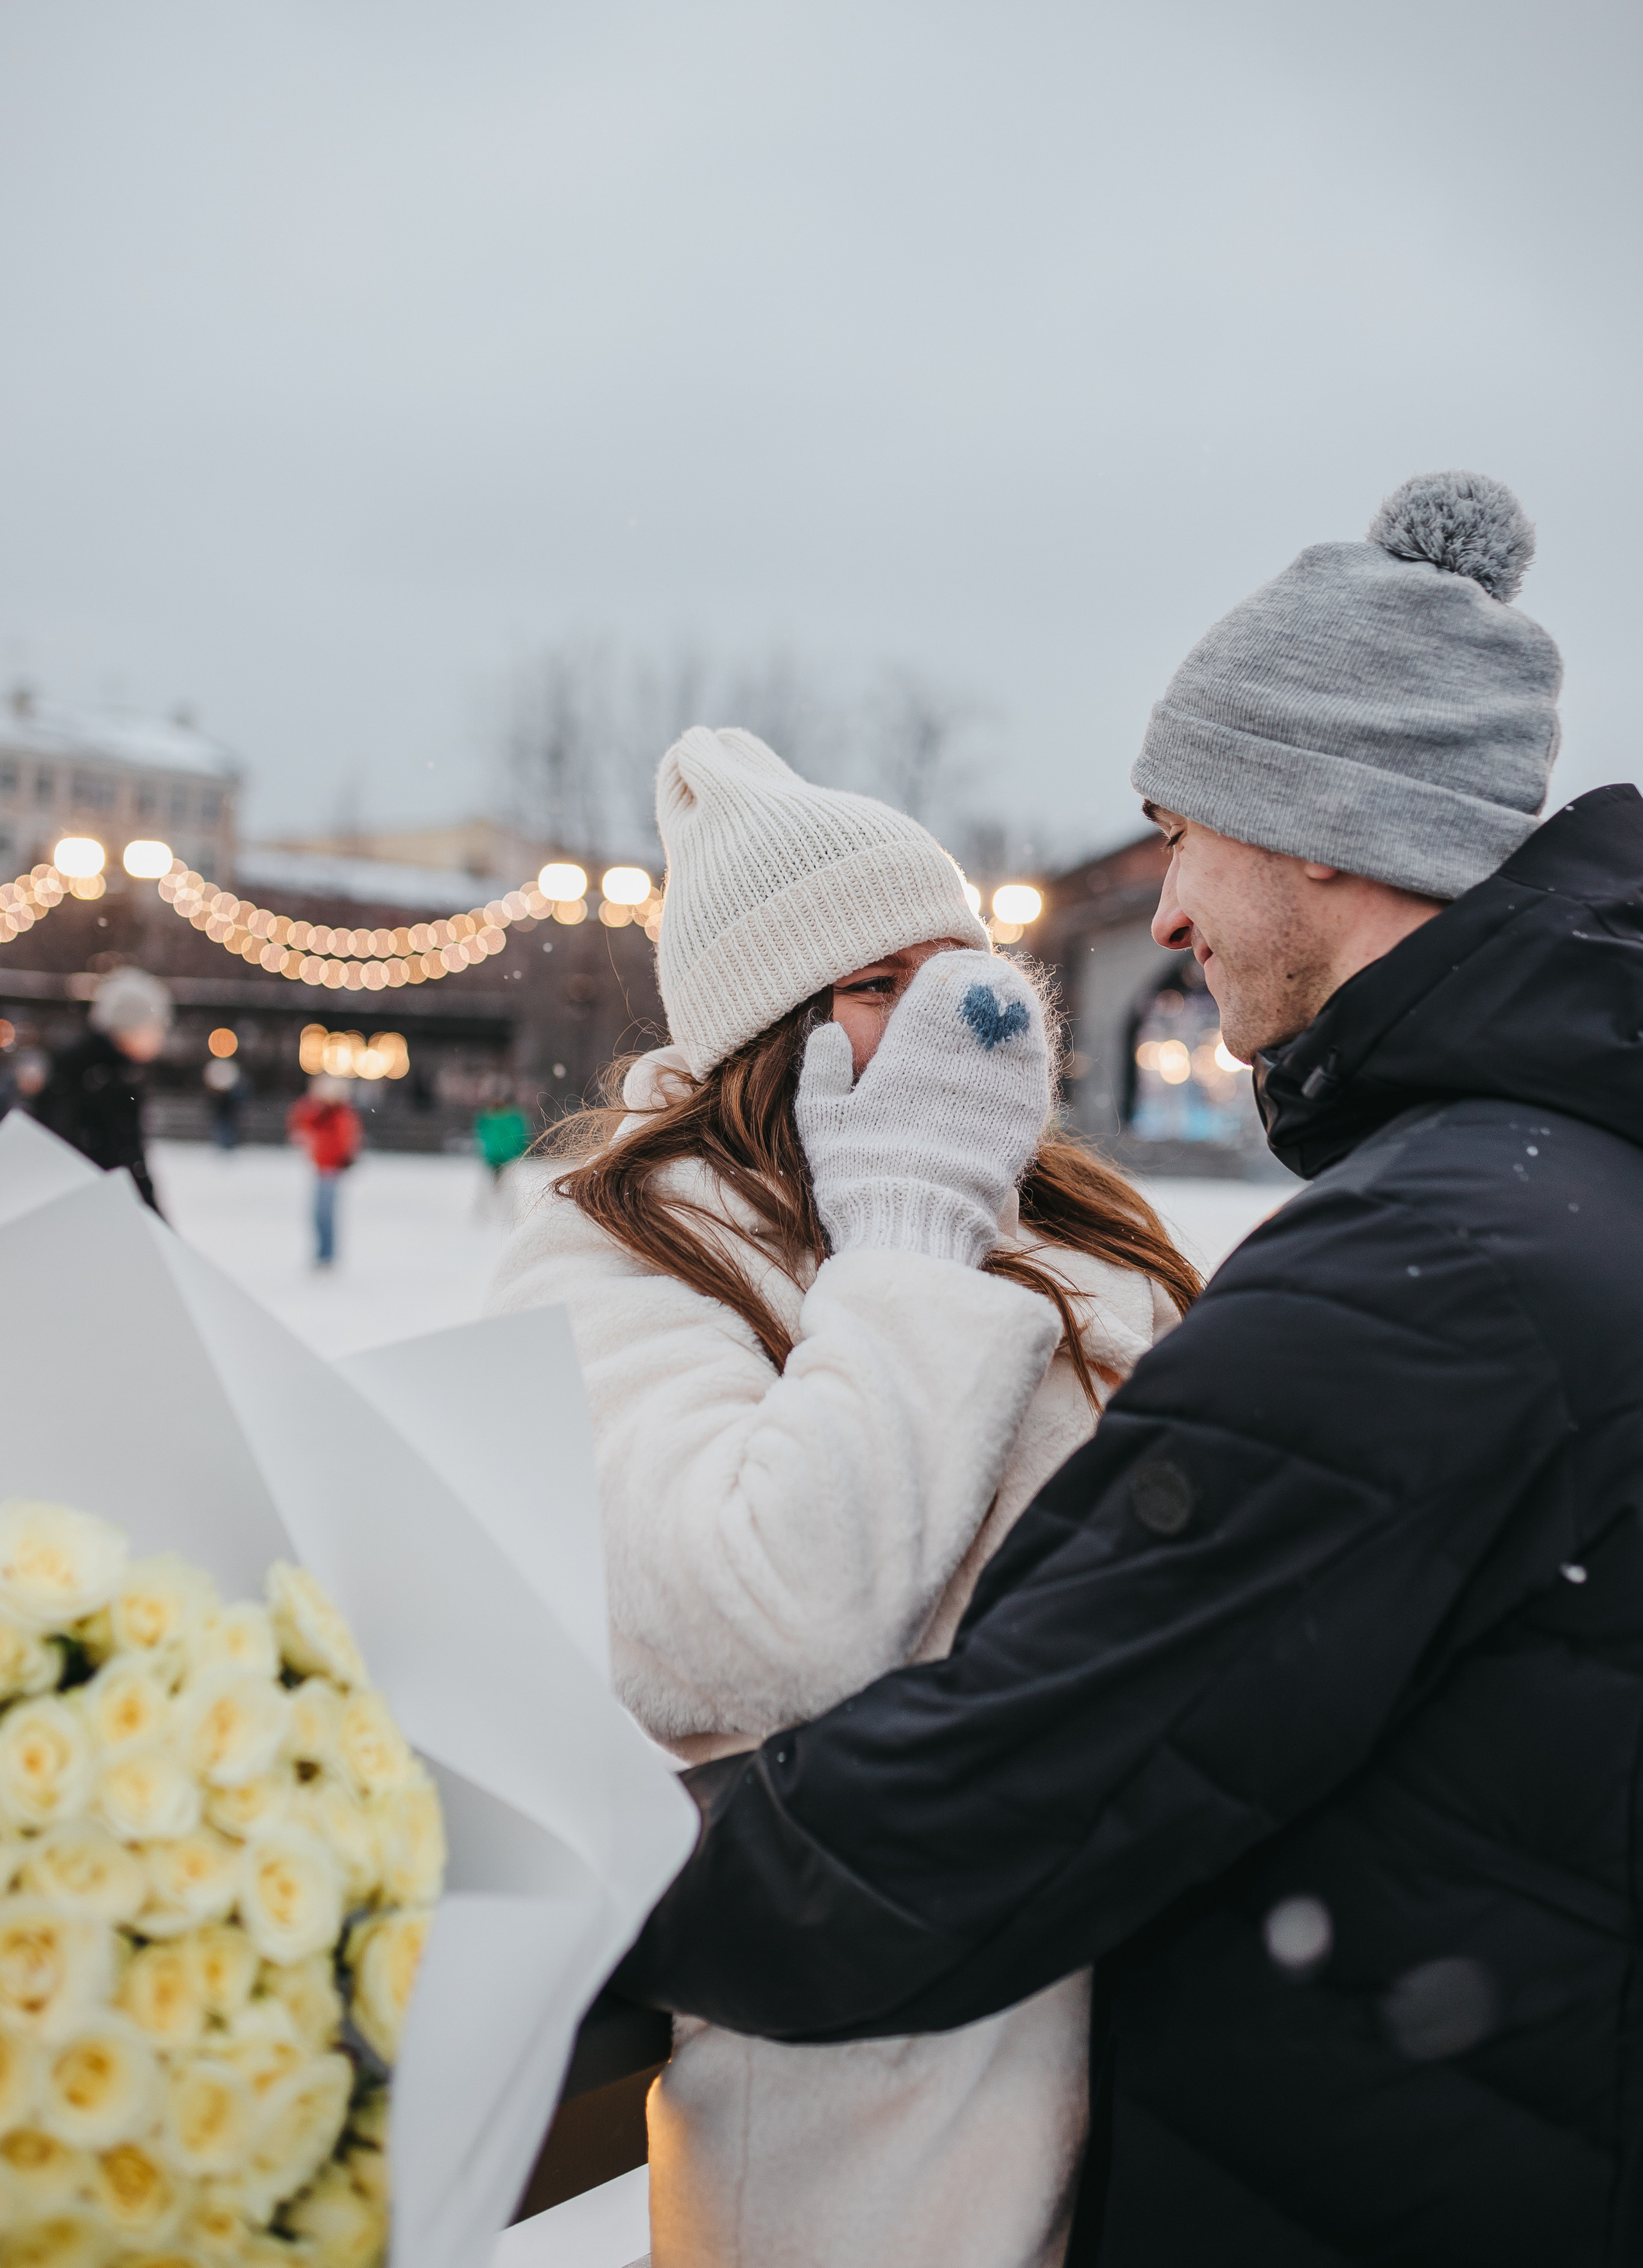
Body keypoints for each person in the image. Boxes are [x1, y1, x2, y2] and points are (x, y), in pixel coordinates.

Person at [612, 475, 1643, 2267]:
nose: (1159, 913)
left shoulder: (1432, 1266)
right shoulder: (1552, 1183)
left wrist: (566, 1911)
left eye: (1180, 832)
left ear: (1316, 826)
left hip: (1391, 2170)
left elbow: (1032, 1772)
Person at [492, 726, 1199, 2268]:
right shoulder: (630, 1246)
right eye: (884, 984)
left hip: (1164, 2069)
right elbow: (756, 1613)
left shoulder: (1077, 1230)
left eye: (964, 965)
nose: (962, 1019)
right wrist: (903, 1237)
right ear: (772, 1028)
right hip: (881, 2136)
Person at [31, 966, 171, 1211]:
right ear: (131, 1028)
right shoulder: (110, 1081)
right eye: (157, 1028)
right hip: (91, 1208)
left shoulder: (76, 1068)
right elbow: (126, 1161)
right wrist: (155, 1221)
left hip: (64, 1204)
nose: (160, 1039)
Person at [286, 1074, 361, 1269]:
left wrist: (345, 1158)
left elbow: (347, 1139)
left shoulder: (340, 1114)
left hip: (332, 1169)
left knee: (325, 1215)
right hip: (321, 1167)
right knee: (318, 1215)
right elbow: (299, 1118)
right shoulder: (319, 1112)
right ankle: (323, 1254)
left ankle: (327, 1255)